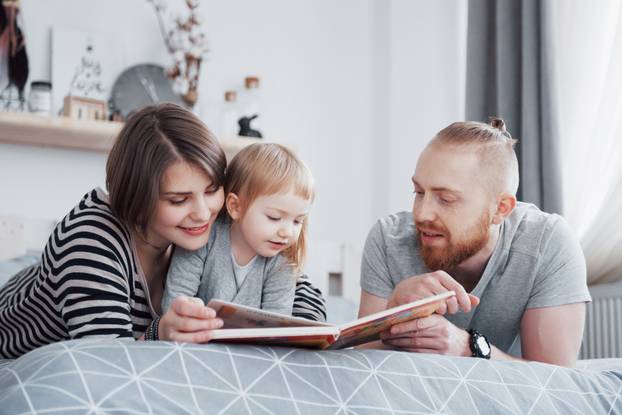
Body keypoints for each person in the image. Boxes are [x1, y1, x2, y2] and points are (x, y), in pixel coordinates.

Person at [0, 103, 325, 359]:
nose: (203, 212)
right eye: (178, 199)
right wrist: (162, 333)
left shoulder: (219, 220)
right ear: (138, 198)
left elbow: (295, 278)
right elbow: (107, 363)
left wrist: (300, 334)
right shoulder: (92, 240)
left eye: (211, 190)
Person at [358, 118, 590, 367]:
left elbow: (555, 380)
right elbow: (359, 366)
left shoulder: (547, 243)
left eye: (446, 199)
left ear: (501, 209)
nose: (422, 214)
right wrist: (393, 312)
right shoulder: (388, 239)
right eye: (419, 192)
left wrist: (467, 347)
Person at [162, 143, 314, 316]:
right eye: (274, 217)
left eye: (297, 221)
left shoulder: (281, 264)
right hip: (194, 340)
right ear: (235, 207)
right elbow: (173, 307)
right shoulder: (202, 239)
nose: (287, 232)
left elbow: (276, 325)